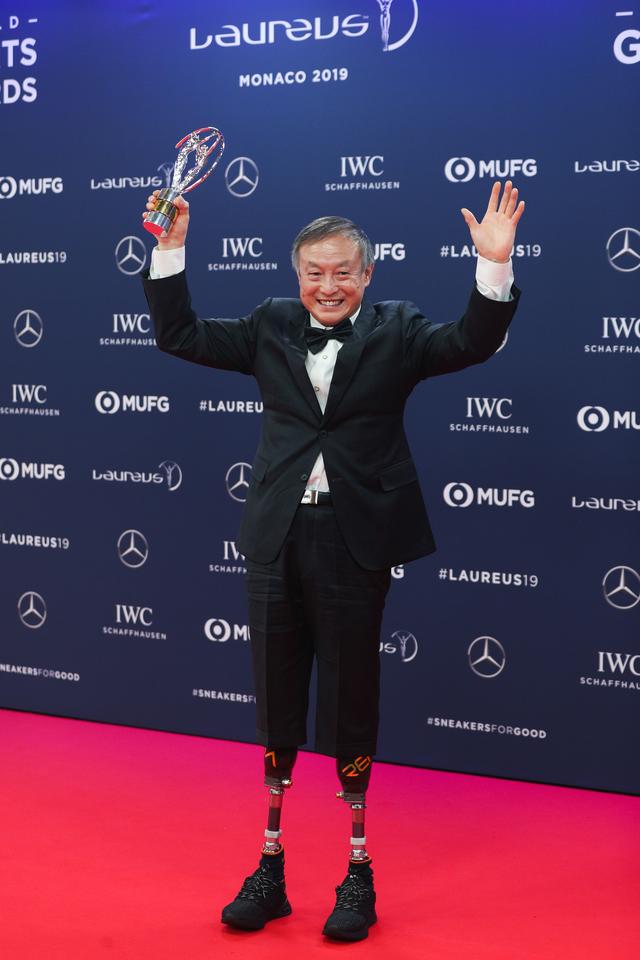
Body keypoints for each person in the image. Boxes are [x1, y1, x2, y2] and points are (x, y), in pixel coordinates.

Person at [141, 181, 524, 941]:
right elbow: (178, 334)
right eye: (314, 272)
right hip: (276, 533)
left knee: (350, 695)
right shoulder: (269, 325)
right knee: (276, 694)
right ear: (297, 276)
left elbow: (470, 343)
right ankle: (270, 866)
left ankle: (357, 870)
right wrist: (171, 246)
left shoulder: (399, 330)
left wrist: (494, 267)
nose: (328, 285)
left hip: (356, 539)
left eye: (343, 271)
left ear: (367, 274)